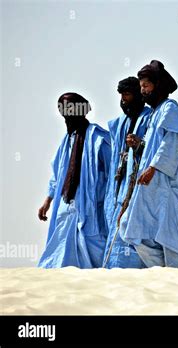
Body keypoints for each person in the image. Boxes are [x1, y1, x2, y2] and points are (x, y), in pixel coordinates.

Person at [117, 60, 178, 268]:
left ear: (158, 85)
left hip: (170, 188)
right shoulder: (156, 113)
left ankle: (177, 279)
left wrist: (153, 168)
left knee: (172, 238)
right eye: (141, 86)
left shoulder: (170, 109)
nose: (142, 91)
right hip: (153, 188)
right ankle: (160, 269)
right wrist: (140, 145)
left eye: (146, 86)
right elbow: (154, 146)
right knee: (130, 226)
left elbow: (172, 142)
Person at [37, 92, 111, 268]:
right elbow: (58, 173)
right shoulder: (67, 141)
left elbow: (112, 172)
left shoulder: (99, 138)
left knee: (93, 247)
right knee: (61, 245)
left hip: (91, 206)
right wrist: (48, 200)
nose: (65, 116)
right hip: (66, 204)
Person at [102, 77, 151, 268]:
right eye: (121, 95)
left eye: (128, 94)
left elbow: (156, 149)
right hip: (118, 188)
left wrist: (140, 144)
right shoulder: (118, 124)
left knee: (131, 231)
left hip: (139, 187)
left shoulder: (150, 117)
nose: (123, 99)